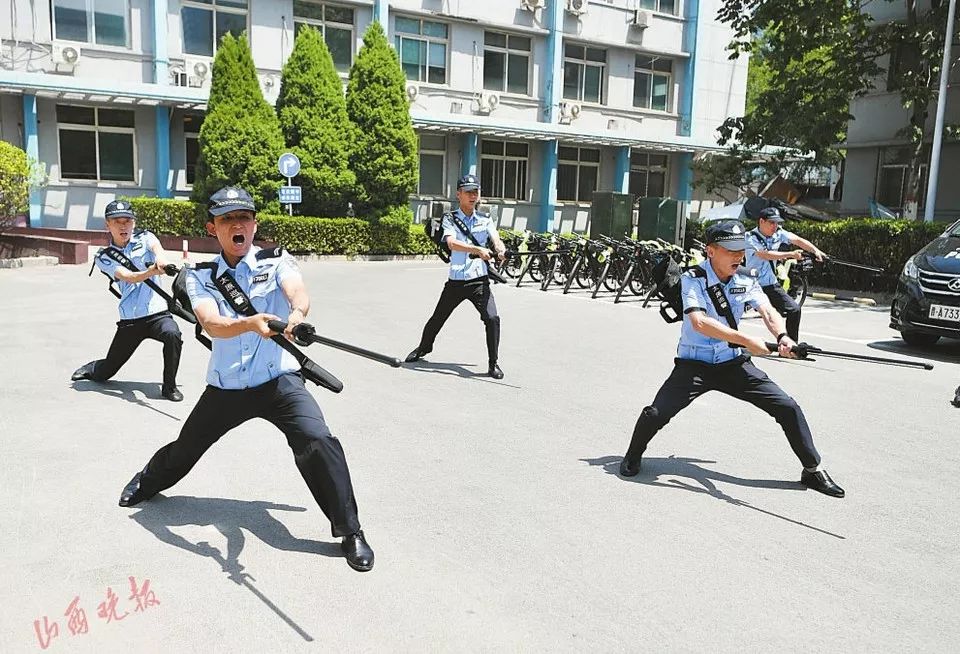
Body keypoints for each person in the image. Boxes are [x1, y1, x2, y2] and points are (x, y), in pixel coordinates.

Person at [117, 186, 374, 572]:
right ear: (213, 228)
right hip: (228, 387)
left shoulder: (276, 259)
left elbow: (297, 293)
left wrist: (298, 318)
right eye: (227, 220)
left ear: (255, 224)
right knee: (186, 449)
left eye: (244, 218)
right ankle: (148, 480)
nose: (238, 225)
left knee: (318, 440)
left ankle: (350, 530)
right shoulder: (201, 276)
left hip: (279, 383)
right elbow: (211, 324)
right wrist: (250, 324)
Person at [619, 220, 845, 498]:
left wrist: (784, 337)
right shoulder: (693, 278)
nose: (739, 256)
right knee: (656, 413)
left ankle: (812, 470)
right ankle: (633, 455)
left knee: (787, 407)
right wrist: (748, 341)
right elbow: (699, 322)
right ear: (710, 251)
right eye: (731, 250)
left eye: (742, 250)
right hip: (694, 365)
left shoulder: (746, 278)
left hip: (732, 363)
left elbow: (768, 311)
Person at [72, 200, 184, 402]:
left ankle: (169, 387)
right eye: (117, 221)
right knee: (106, 372)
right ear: (108, 225)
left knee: (172, 334)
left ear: (134, 222)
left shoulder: (146, 237)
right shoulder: (104, 257)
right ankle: (94, 368)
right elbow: (127, 276)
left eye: (128, 221)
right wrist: (150, 272)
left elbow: (159, 252)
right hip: (131, 320)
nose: (124, 226)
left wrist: (163, 264)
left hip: (158, 313)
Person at [404, 174, 507, 379]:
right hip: (457, 281)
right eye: (468, 192)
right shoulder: (450, 219)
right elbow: (451, 243)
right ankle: (424, 348)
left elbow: (495, 238)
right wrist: (477, 249)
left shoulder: (485, 219)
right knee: (437, 318)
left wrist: (500, 250)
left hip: (479, 280)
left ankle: (493, 364)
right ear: (458, 194)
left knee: (492, 318)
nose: (472, 196)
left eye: (475, 192)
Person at [744, 207, 827, 341]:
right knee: (731, 313)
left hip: (770, 284)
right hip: (750, 285)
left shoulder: (779, 233)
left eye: (777, 223)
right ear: (761, 221)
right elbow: (764, 255)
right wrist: (790, 254)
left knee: (794, 310)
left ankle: (791, 346)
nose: (775, 226)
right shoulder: (750, 237)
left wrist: (815, 251)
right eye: (772, 223)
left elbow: (798, 240)